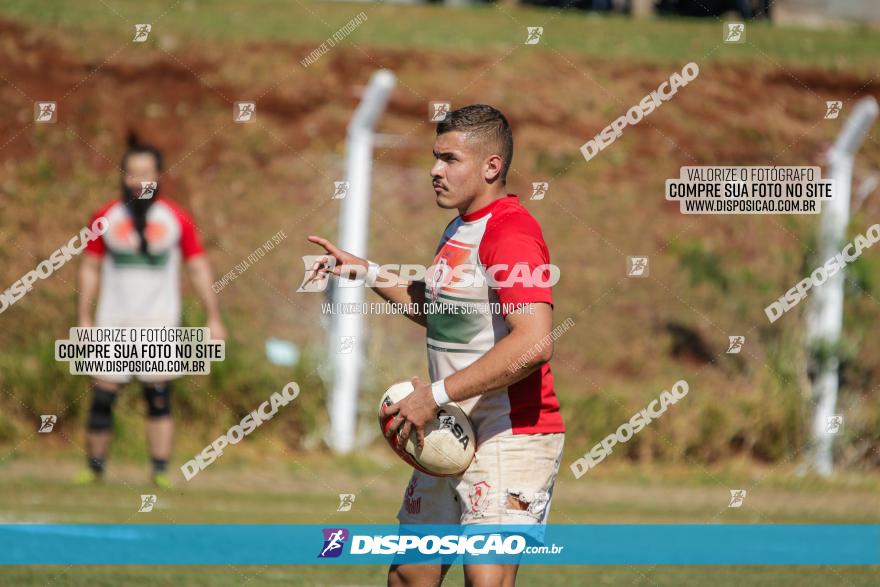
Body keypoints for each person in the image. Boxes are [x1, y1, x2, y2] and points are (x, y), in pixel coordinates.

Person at [307, 105, 564, 586]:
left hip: (511, 429)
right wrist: (366, 271)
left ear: (491, 166)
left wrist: (435, 394)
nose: (434, 170)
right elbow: (436, 310)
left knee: (485, 579)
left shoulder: (510, 232)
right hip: (450, 426)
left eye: (449, 159)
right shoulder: (459, 228)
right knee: (410, 575)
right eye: (434, 157)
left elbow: (535, 342)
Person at [75, 134, 225, 488]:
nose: (140, 180)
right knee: (102, 396)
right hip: (113, 322)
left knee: (158, 397)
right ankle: (94, 469)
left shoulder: (176, 219)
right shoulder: (105, 218)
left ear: (158, 177)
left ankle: (160, 472)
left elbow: (198, 266)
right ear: (124, 177)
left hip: (159, 322)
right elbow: (89, 267)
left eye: (147, 173)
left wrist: (213, 315)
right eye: (133, 173)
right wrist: (84, 317)